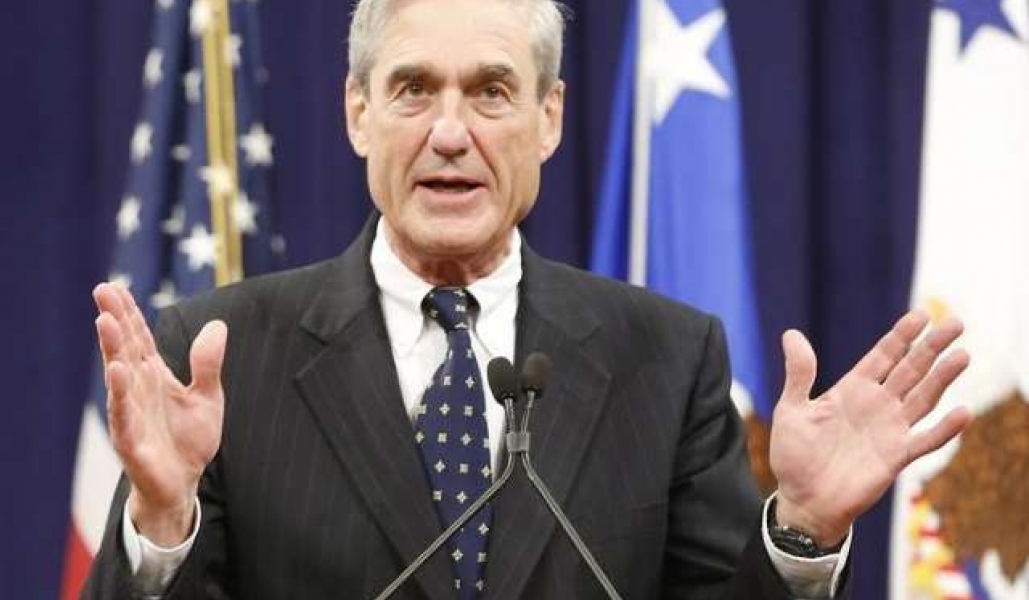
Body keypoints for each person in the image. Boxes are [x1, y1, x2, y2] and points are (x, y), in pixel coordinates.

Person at [82, 0, 972, 598]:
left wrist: (805, 529)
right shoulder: (224, 351)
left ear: (550, 118)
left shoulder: (664, 359)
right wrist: (160, 522)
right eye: (413, 89)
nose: (450, 133)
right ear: (359, 114)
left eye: (492, 92)